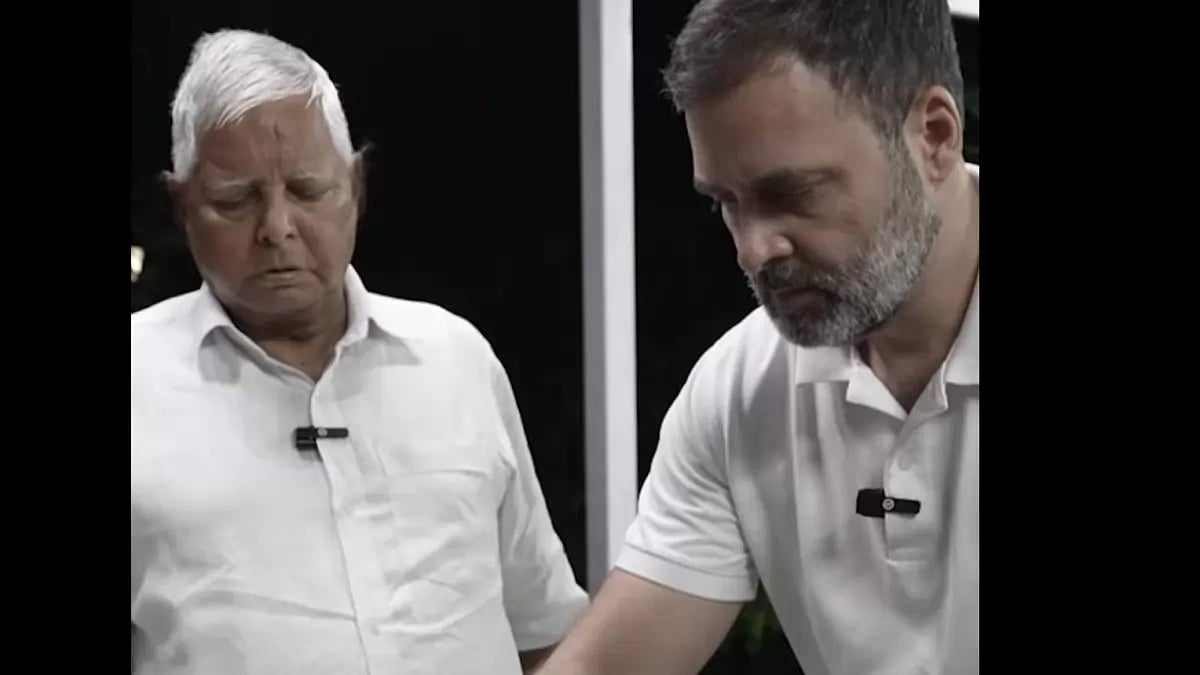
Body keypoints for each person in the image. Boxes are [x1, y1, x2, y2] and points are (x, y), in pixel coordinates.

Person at [537, 1, 978, 674]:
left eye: (792, 194)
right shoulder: (740, 391)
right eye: (726, 203)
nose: (751, 249)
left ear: (935, 136)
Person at [130, 30, 587, 675]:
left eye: (308, 190)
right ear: (182, 207)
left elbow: (544, 628)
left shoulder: (454, 360)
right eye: (235, 200)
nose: (277, 229)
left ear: (356, 185)